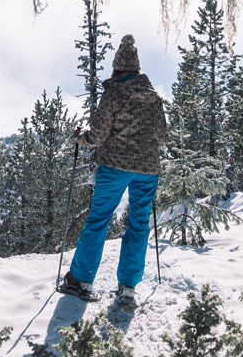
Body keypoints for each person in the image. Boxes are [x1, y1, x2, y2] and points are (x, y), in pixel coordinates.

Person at [60, 34, 168, 309]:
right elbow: (163, 138)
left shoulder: (114, 93)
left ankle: (80, 280)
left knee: (99, 219)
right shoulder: (154, 97)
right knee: (139, 225)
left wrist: (80, 137)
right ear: (138, 69)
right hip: (147, 170)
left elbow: (96, 136)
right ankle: (128, 288)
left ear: (117, 68)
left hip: (115, 167)